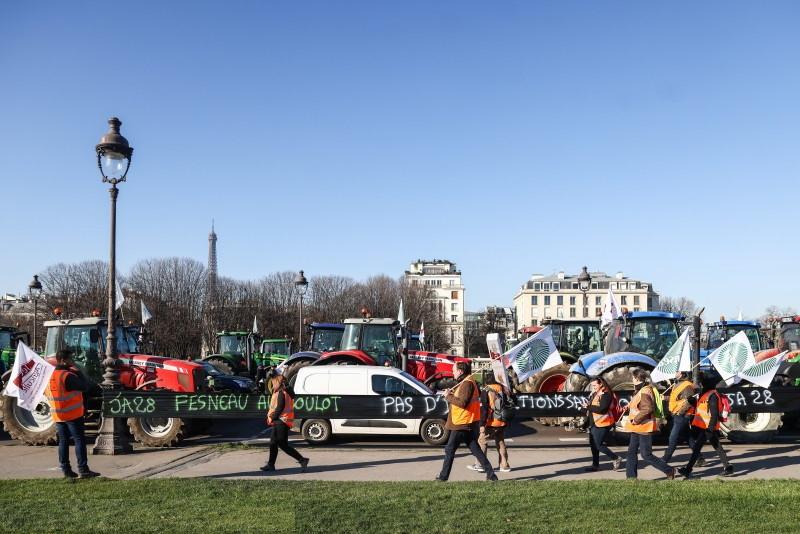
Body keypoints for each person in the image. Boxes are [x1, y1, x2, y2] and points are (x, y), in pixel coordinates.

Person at [436, 362, 497, 481]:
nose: (452, 372)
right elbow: (463, 399)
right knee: (475, 448)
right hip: (467, 421)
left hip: (462, 422)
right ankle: (491, 474)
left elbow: (462, 403)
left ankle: (443, 477)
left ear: (460, 371)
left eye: (454, 370)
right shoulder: (466, 382)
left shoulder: (466, 383)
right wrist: (452, 393)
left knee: (449, 449)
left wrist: (448, 397)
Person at [45, 349, 100, 479]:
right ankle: (83, 470)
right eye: (70, 359)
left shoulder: (51, 375)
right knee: (79, 440)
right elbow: (85, 386)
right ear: (63, 360)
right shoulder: (67, 376)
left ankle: (66, 470)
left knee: (63, 441)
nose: (72, 361)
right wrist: (78, 371)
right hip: (72, 414)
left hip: (58, 415)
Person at [624, 368, 675, 479]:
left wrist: (635, 420)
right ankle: (631, 478)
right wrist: (629, 406)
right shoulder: (640, 390)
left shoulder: (645, 390)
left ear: (637, 378)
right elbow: (639, 405)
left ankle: (669, 470)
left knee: (646, 455)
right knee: (631, 452)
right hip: (637, 427)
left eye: (633, 377)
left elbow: (647, 409)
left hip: (644, 427)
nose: (632, 379)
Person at [678, 378, 734, 478]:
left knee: (697, 448)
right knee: (717, 447)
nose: (700, 386)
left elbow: (715, 413)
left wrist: (711, 428)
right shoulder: (706, 394)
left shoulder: (712, 395)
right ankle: (728, 468)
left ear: (706, 385)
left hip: (708, 427)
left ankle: (688, 469)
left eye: (702, 384)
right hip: (706, 426)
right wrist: (692, 401)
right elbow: (701, 406)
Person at [260, 373, 309, 473]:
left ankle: (302, 460)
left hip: (281, 421)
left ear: (277, 382)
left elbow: (279, 408)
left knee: (282, 444)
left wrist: (272, 418)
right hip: (283, 421)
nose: (272, 385)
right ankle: (271, 464)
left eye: (273, 382)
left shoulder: (281, 392)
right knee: (273, 443)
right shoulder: (286, 391)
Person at [467, 374, 510, 473]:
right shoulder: (503, 389)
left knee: (482, 441)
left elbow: (484, 409)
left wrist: (482, 424)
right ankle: (504, 465)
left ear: (486, 381)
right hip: (502, 421)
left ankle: (480, 464)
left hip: (491, 422)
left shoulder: (486, 391)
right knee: (500, 442)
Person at [661, 371, 705, 466]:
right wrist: (665, 398)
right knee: (688, 438)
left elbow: (690, 401)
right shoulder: (678, 384)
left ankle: (664, 460)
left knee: (673, 438)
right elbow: (677, 399)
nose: (674, 373)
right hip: (678, 415)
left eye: (677, 371)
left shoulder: (687, 385)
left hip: (682, 416)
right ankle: (700, 458)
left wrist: (680, 412)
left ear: (681, 374)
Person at [585, 376, 622, 472]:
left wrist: (588, 407)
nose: (593, 387)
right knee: (593, 446)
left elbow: (602, 409)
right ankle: (595, 465)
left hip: (603, 423)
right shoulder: (596, 393)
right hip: (595, 423)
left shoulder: (606, 394)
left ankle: (615, 458)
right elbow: (593, 407)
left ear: (601, 384)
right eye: (592, 385)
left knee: (598, 445)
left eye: (595, 385)